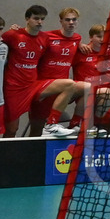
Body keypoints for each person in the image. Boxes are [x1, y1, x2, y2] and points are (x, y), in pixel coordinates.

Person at [1, 5, 80, 138]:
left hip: (34, 85)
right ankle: (5, 152)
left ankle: (53, 125)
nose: (39, 22)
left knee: (71, 85)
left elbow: (64, 42)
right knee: (12, 129)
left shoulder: (44, 38)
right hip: (14, 87)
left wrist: (80, 45)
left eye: (42, 19)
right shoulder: (13, 35)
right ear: (27, 19)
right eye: (36, 18)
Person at [28, 7, 90, 136]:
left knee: (88, 87)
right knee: (36, 130)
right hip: (42, 86)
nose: (71, 22)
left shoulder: (77, 38)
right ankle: (49, 127)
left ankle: (74, 124)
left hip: (63, 87)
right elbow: (29, 37)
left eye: (74, 20)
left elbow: (75, 42)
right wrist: (16, 29)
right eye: (67, 20)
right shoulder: (47, 36)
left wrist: (82, 44)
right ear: (61, 21)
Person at [71, 23, 110, 131]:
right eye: (99, 36)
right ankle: (75, 123)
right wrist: (78, 44)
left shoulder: (108, 54)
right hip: (80, 91)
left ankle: (94, 125)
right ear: (91, 37)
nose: (102, 40)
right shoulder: (81, 52)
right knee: (89, 89)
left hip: (99, 91)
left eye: (105, 37)